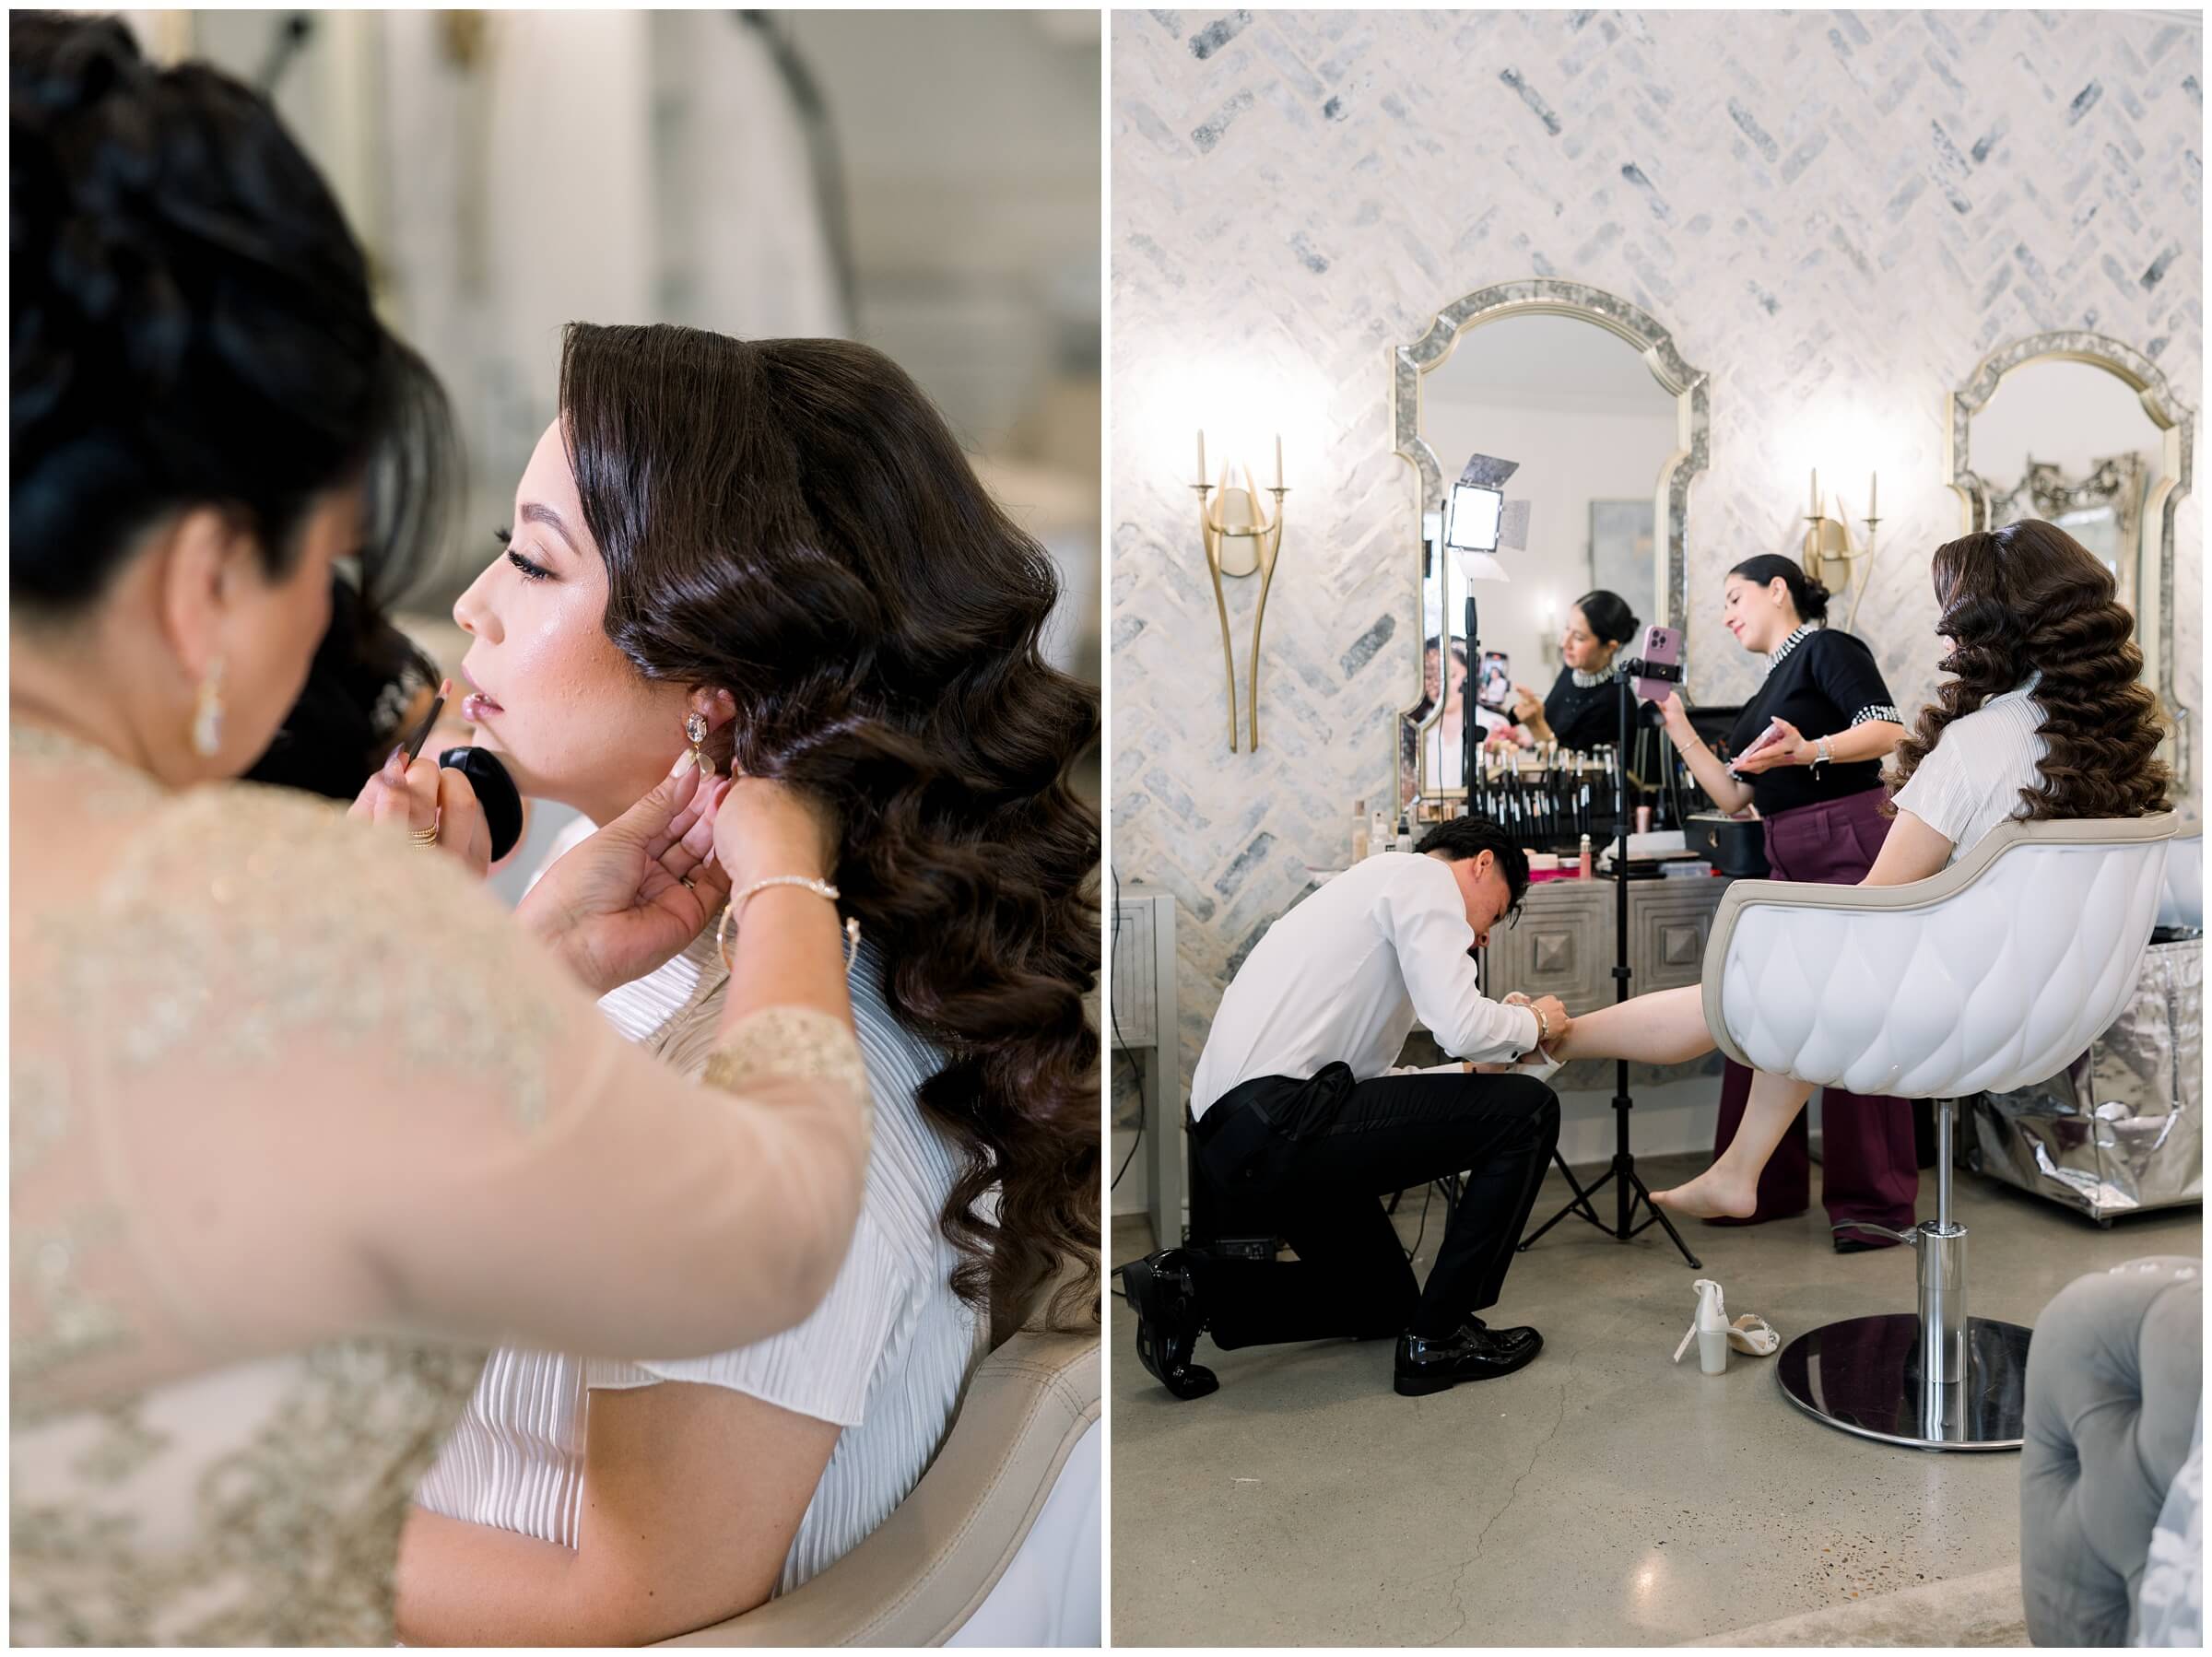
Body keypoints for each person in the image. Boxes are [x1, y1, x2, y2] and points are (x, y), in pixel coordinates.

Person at [10, 19, 868, 1642]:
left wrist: (514, 958)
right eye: (331, 561)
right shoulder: (299, 924)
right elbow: (773, 1230)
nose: (443, 615)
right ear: (206, 581)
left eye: (526, 560)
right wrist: (789, 870)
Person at [391, 323, 1101, 1644]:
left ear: (716, 692)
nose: (475, 605)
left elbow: (630, 1599)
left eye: (535, 560)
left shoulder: (778, 1085)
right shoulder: (675, 953)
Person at [1512, 522, 2171, 1225]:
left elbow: (1873, 908)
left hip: (1960, 1009)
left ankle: (1555, 1037)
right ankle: (1732, 1162)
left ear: (1990, 626)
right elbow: (1738, 794)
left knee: (1758, 975)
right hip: (2059, 1003)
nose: (1942, 634)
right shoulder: (2116, 742)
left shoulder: (1970, 738)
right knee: (1788, 980)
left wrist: (1781, 921)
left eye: (1952, 616)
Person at [1120, 817, 1565, 1402]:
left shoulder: (1364, 895)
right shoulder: (1424, 878)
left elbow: (1363, 1087)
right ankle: (1439, 1339)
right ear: (1481, 863)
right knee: (1529, 1110)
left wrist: (1463, 1075)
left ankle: (1189, 1286)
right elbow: (1459, 1023)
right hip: (1284, 1125)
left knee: (1382, 1303)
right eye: (1496, 911)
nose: (1484, 938)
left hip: (1246, 1136)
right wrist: (1534, 1021)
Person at [1659, 554, 1913, 1246]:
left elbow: (1888, 731)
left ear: (1779, 590)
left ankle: (1875, 1206)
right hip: (1783, 852)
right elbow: (1734, 795)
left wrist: (1810, 752)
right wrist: (1674, 721)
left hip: (1847, 841)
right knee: (1762, 1012)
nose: (1725, 613)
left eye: (1735, 595)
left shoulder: (1829, 648)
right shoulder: (1770, 686)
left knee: (1852, 1019)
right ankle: (1761, 1184)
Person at [1511, 588, 1643, 751]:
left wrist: (1535, 726)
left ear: (1610, 647)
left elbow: (1577, 773)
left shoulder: (1614, 702)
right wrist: (1522, 739)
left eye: (1579, 637)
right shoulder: (1571, 671)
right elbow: (1555, 732)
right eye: (1567, 629)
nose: (1564, 643)